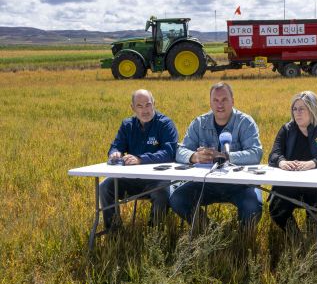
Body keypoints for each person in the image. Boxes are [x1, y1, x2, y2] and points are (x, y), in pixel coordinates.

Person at [170, 82, 263, 227]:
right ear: (210, 103)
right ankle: (211, 234)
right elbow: (180, 151)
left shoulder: (245, 122)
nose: (220, 105)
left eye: (224, 100)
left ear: (233, 101)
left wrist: (226, 156)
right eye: (216, 100)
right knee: (178, 198)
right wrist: (194, 157)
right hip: (205, 184)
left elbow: (256, 153)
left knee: (252, 207)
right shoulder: (199, 123)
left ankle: (240, 242)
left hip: (240, 184)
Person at [99, 89, 178, 230]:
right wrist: (115, 153)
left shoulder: (165, 124)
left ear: (154, 104)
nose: (145, 110)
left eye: (148, 105)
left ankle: (154, 235)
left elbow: (169, 153)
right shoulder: (127, 125)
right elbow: (116, 145)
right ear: (133, 107)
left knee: (162, 194)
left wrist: (140, 159)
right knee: (104, 187)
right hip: (132, 178)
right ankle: (114, 232)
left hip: (157, 180)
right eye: (139, 106)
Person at [268, 91, 317, 233]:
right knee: (276, 208)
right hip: (290, 184)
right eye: (295, 109)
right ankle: (295, 239)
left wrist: (312, 163)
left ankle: (313, 242)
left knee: (316, 220)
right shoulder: (287, 130)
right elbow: (274, 154)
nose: (297, 113)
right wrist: (281, 162)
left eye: (302, 109)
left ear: (312, 109)